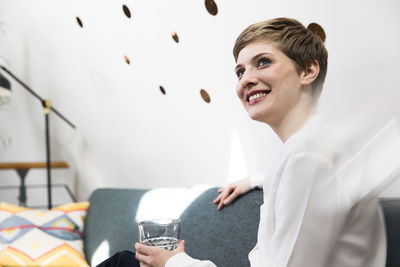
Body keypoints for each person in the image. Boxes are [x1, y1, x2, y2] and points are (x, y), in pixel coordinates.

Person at [97, 17, 400, 267]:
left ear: (308, 71)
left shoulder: (307, 158)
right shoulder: (308, 151)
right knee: (126, 262)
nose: (245, 80)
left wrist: (176, 263)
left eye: (263, 62)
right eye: (240, 71)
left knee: (125, 263)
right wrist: (257, 180)